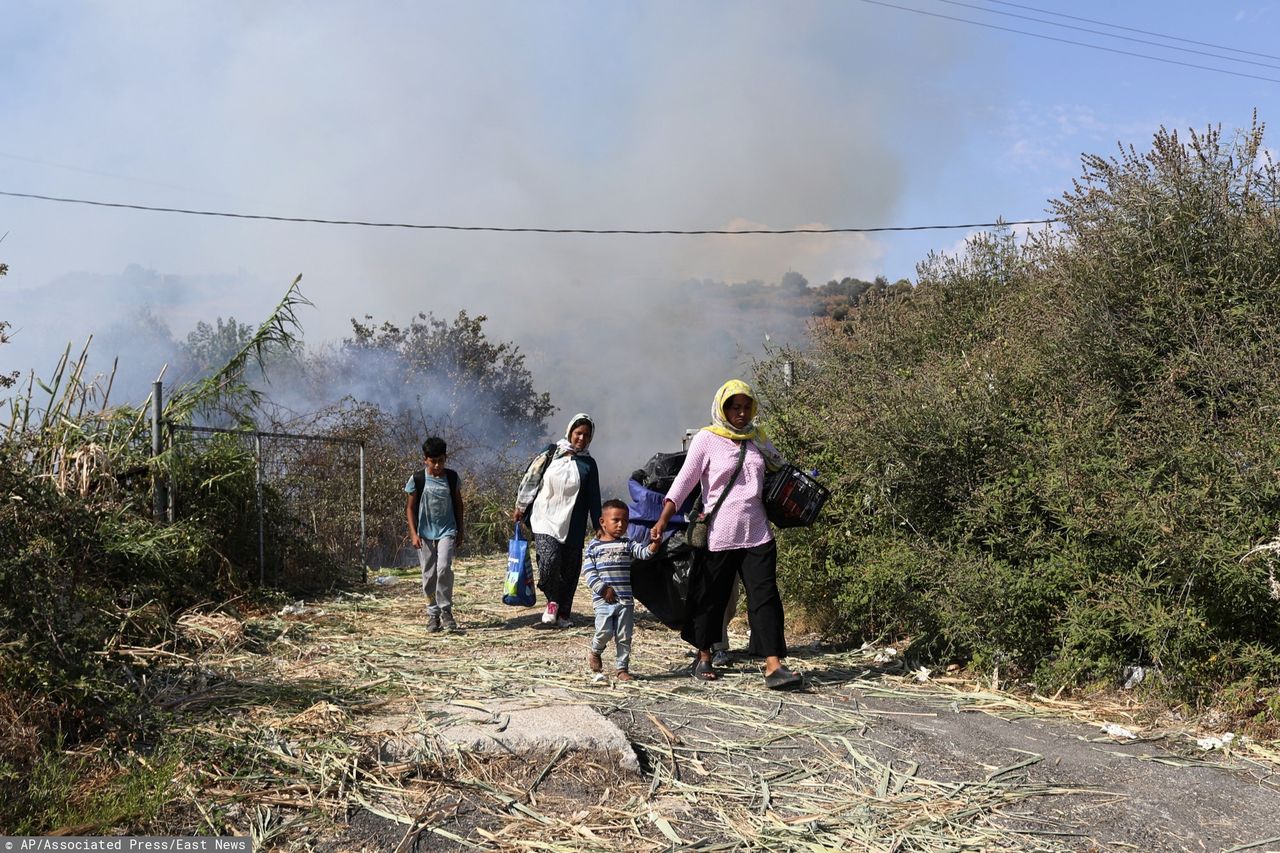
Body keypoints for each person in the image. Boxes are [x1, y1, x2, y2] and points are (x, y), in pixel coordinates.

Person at [650, 380, 802, 689]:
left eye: (746, 407)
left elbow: (783, 470)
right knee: (710, 595)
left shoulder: (759, 439)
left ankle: (773, 665)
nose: (741, 413)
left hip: (758, 533)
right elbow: (684, 481)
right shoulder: (707, 439)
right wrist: (663, 519)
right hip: (719, 534)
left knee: (765, 597)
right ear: (723, 408)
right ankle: (704, 654)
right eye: (735, 407)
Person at [514, 413, 602, 628]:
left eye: (586, 435)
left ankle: (563, 613)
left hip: (573, 522)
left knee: (570, 568)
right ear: (570, 432)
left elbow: (593, 497)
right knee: (549, 561)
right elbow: (531, 478)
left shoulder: (588, 464)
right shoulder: (551, 452)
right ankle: (552, 600)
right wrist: (521, 505)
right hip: (544, 517)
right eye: (578, 433)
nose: (581, 438)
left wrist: (600, 527)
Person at [583, 499, 659, 682]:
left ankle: (622, 668)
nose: (621, 525)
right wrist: (603, 590)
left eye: (625, 521)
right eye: (616, 520)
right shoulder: (594, 547)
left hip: (625, 601)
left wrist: (654, 545)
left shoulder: (627, 543)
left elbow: (644, 553)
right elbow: (589, 572)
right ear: (603, 522)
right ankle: (595, 650)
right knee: (605, 632)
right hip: (603, 601)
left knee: (624, 637)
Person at [404, 436, 465, 633]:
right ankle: (433, 613)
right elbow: (410, 508)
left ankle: (446, 610)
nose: (437, 465)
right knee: (429, 575)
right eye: (433, 461)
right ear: (425, 460)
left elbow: (458, 504)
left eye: (441, 460)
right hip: (425, 534)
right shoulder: (418, 479)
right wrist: (414, 534)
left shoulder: (452, 478)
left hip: (447, 531)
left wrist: (460, 530)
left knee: (444, 568)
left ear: (445, 458)